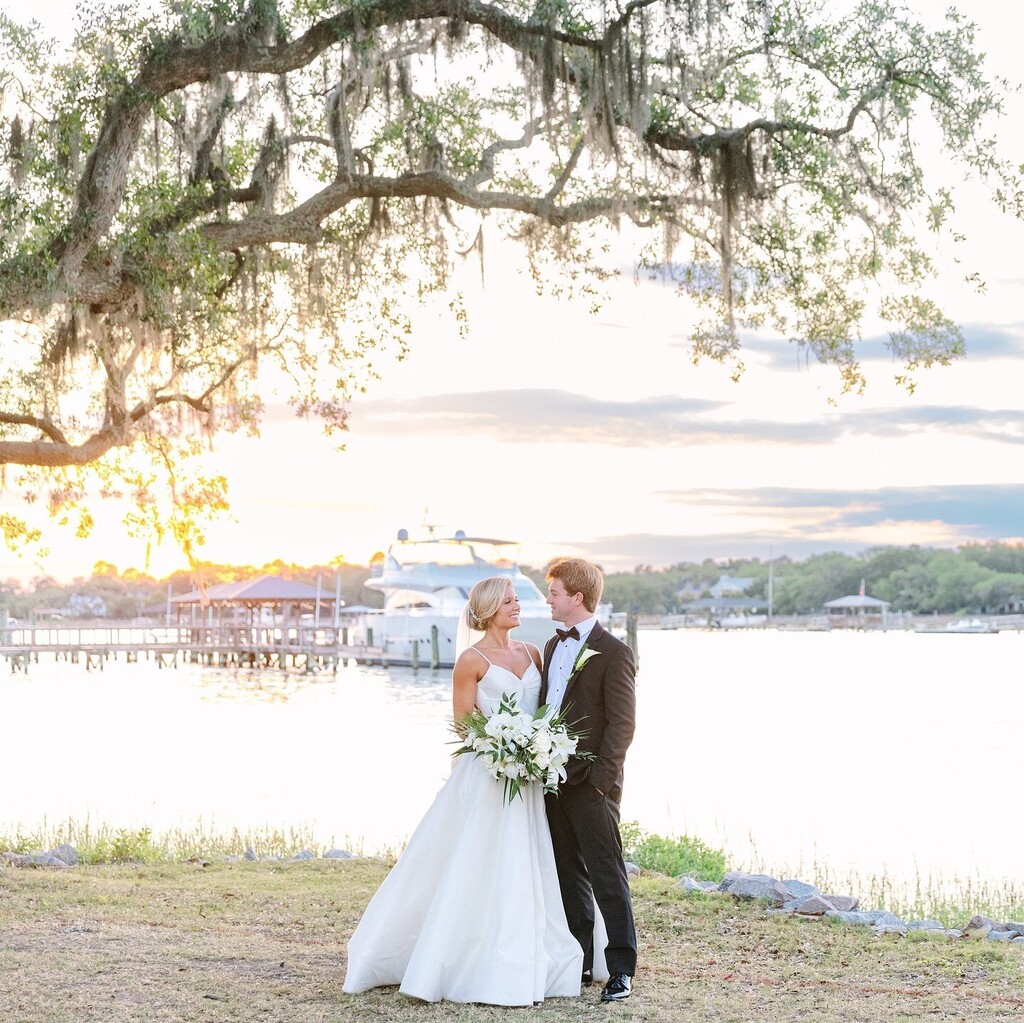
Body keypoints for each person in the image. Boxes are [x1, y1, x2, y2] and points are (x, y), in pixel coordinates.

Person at [343, 576, 584, 1006]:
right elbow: (464, 728)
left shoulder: (531, 653)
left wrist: (533, 750)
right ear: (490, 609)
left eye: (516, 601)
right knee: (479, 859)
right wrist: (505, 747)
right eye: (510, 601)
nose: (518, 607)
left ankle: (526, 951)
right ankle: (458, 954)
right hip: (490, 774)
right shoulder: (470, 662)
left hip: (526, 780)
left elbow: (543, 711)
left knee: (525, 861)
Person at [541, 557, 638, 1002]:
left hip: (592, 784)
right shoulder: (550, 646)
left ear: (576, 598)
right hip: (552, 780)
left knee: (606, 873)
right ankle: (579, 960)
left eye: (555, 592)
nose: (549, 599)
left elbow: (622, 725)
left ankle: (621, 969)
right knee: (568, 873)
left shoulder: (614, 652)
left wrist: (601, 782)